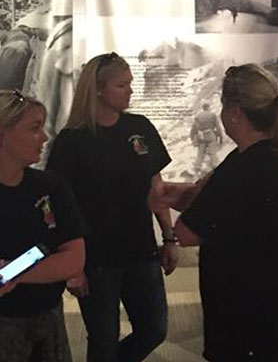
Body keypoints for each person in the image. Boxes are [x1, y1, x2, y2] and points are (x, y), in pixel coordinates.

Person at [150, 64, 278, 361]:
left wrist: (168, 201)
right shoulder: (260, 157)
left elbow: (187, 232)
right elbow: (217, 202)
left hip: (259, 314)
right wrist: (176, 192)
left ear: (235, 112)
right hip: (274, 306)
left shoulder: (246, 168)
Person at [47, 53, 177, 362]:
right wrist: (71, 264)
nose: (130, 90)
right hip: (96, 257)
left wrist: (169, 236)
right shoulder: (72, 140)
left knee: (154, 329)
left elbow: (155, 187)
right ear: (99, 89)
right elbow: (61, 207)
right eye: (122, 85)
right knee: (103, 338)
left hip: (140, 250)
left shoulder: (140, 127)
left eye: (130, 83)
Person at [0, 90, 86, 362]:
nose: (45, 137)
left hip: (49, 317)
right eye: (35, 128)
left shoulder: (51, 186)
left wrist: (12, 273)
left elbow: (74, 260)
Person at [190, 103, 223, 176]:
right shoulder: (212, 115)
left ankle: (197, 167)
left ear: (203, 108)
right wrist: (221, 137)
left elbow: (193, 129)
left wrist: (192, 138)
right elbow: (218, 127)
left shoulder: (198, 116)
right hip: (211, 136)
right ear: (208, 107)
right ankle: (214, 167)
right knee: (213, 152)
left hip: (201, 137)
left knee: (200, 153)